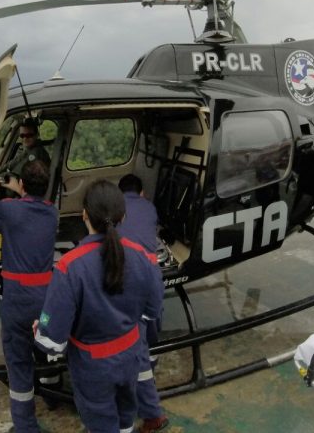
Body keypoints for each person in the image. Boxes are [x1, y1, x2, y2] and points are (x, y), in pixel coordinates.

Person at [34, 180, 164, 433]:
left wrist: (40, 328)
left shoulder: (70, 266)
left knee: (101, 421)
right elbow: (151, 312)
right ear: (123, 215)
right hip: (131, 356)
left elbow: (51, 342)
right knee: (126, 415)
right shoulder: (143, 256)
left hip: (92, 366)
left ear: (84, 214)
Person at [0, 160, 58, 433]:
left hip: (17, 299)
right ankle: (53, 393)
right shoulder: (52, 212)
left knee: (19, 361)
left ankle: (26, 427)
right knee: (46, 347)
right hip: (46, 297)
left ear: (21, 184)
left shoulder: (8, 210)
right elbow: (31, 205)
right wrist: (19, 191)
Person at [117, 174, 169, 432]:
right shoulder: (148, 206)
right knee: (151, 321)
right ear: (141, 192)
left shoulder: (116, 210)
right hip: (153, 273)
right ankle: (152, 352)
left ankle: (152, 413)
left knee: (135, 345)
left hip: (134, 274)